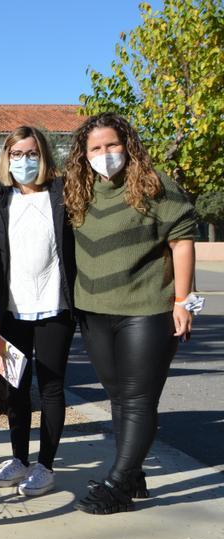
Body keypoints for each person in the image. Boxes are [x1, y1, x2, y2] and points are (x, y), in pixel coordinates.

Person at [64, 112, 199, 514]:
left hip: (147, 310)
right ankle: (134, 472)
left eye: (112, 145)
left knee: (139, 399)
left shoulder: (156, 187)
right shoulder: (79, 191)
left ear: (128, 146)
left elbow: (183, 242)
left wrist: (184, 302)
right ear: (83, 155)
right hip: (94, 311)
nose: (105, 154)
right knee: (118, 397)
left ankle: (119, 484)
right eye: (96, 148)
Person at [0, 127, 75, 497]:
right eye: (16, 154)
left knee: (51, 387)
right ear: (6, 158)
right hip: (11, 312)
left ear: (44, 154)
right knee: (15, 386)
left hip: (55, 309)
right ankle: (19, 459)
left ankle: (45, 466)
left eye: (31, 152)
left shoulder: (63, 196)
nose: (24, 160)